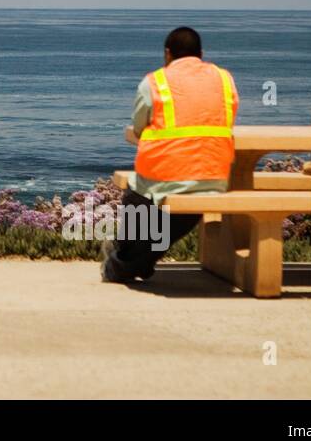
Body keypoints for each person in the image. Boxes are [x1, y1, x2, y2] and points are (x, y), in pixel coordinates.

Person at [102, 26, 239, 283]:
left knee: (136, 198)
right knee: (172, 216)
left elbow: (140, 127)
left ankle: (124, 263)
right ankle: (137, 261)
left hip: (165, 178)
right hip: (215, 177)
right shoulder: (225, 79)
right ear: (201, 54)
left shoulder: (155, 82)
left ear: (167, 54)